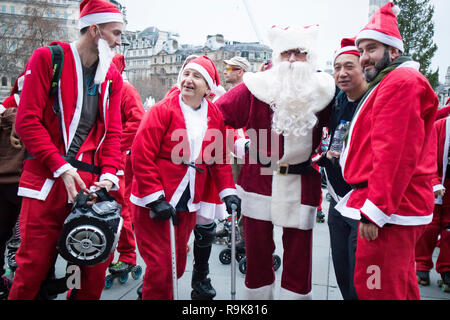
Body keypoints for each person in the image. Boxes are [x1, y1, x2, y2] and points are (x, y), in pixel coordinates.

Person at [8, 0, 124, 300]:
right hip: (47, 181)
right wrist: (62, 167)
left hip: (91, 189)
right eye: (115, 33)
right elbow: (27, 121)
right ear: (95, 30)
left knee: (91, 268)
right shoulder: (48, 58)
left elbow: (113, 133)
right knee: (32, 267)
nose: (119, 41)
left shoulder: (112, 76)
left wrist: (110, 174)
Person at [215, 25, 336, 299]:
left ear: (311, 56)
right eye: (286, 53)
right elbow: (216, 115)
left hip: (302, 181)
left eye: (299, 52)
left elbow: (346, 126)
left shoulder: (324, 90)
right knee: (257, 254)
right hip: (258, 179)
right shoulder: (255, 87)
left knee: (298, 257)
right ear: (277, 56)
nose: (292, 59)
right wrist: (236, 145)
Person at [335, 2, 438, 300]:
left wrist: (376, 210)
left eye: (371, 49)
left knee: (375, 286)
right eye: (362, 50)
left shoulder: (400, 83)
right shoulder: (392, 81)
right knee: (398, 284)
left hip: (387, 210)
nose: (364, 57)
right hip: (390, 206)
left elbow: (393, 152)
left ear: (392, 51)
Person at [130, 55, 241, 300]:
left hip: (188, 202)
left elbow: (220, 156)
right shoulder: (162, 110)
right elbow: (141, 153)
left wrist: (228, 192)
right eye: (186, 74)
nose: (188, 80)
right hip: (155, 203)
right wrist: (154, 197)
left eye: (196, 76)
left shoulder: (214, 113)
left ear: (209, 86)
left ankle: (152, 292)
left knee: (176, 265)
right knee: (161, 266)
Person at [316, 37, 367, 300]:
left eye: (349, 66)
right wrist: (323, 156)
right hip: (336, 202)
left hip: (362, 206)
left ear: (364, 67)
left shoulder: (373, 102)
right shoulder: (337, 101)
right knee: (343, 277)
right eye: (337, 67)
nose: (342, 73)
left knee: (362, 283)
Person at [107, 54, 145, 276]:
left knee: (120, 208)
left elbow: (138, 120)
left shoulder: (125, 89)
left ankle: (128, 255)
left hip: (117, 158)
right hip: (99, 158)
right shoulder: (97, 86)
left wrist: (114, 145)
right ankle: (107, 253)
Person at [415, 116, 450, 291]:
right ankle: (422, 264)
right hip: (437, 182)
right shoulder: (440, 126)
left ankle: (447, 270)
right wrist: (434, 182)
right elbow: (428, 157)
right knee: (430, 227)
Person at [0, 75, 26, 299]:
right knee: (26, 231)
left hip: (4, 179)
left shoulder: (5, 109)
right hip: (22, 180)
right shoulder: (29, 113)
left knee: (3, 231)